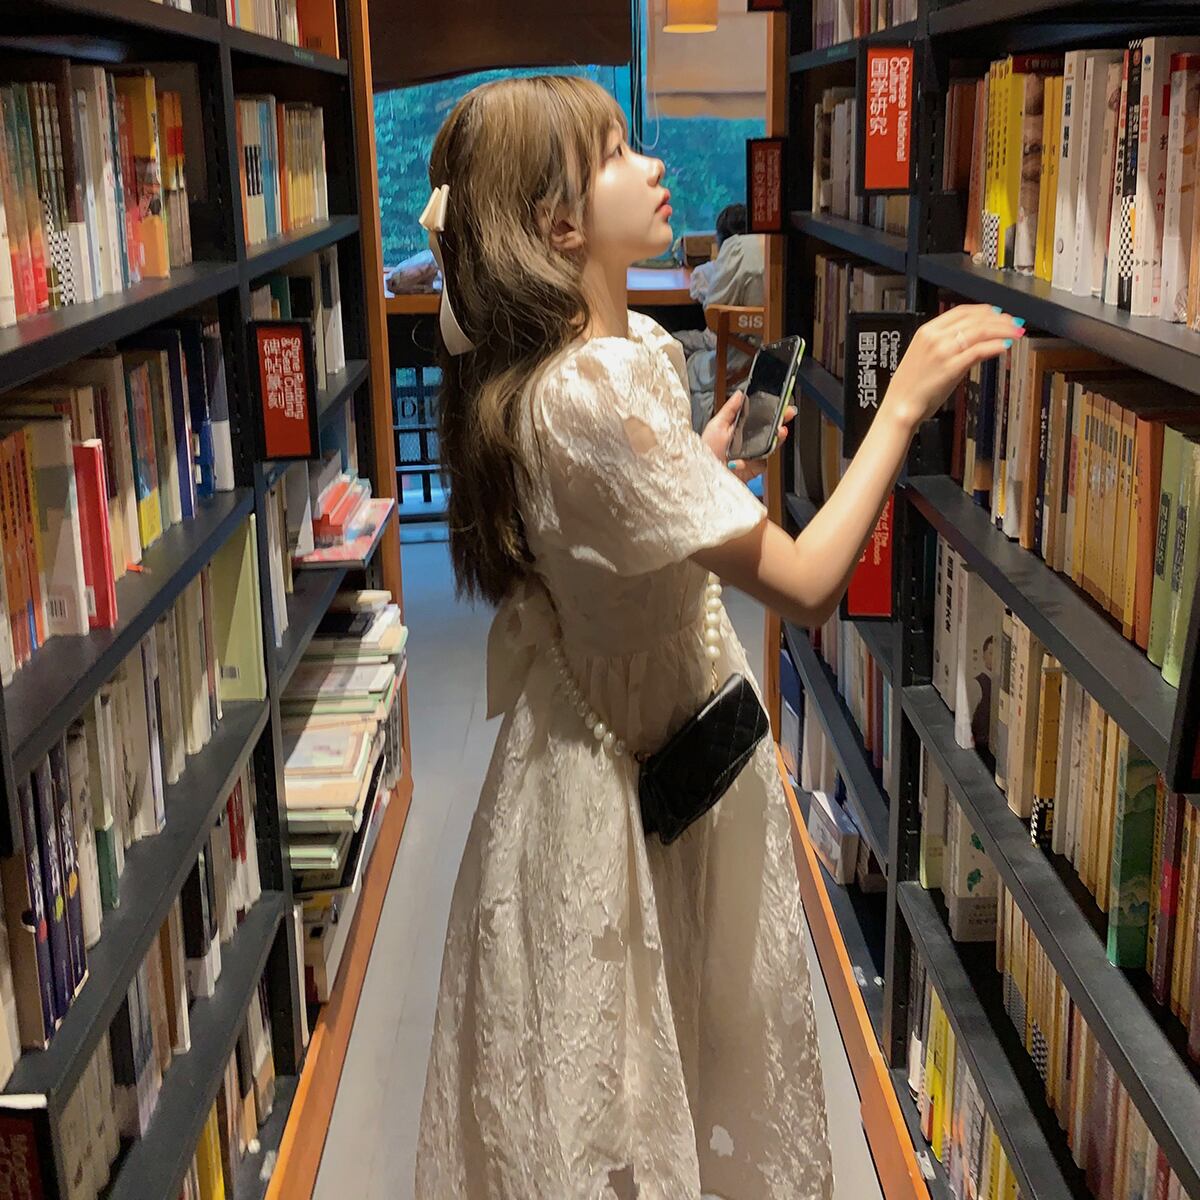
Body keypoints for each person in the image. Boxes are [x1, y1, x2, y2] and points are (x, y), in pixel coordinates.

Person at [414, 74, 1022, 1199]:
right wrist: (901, 404)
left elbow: (609, 528)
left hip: (626, 742)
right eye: (615, 153)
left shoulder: (611, 351)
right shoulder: (589, 388)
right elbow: (809, 586)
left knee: (658, 1072)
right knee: (649, 1074)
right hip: (627, 782)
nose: (651, 166)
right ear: (559, 225)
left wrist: (698, 467)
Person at [675, 203, 766, 431]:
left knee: (673, 345)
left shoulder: (737, 248)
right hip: (769, 364)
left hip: (734, 367)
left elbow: (713, 313)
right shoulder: (774, 245)